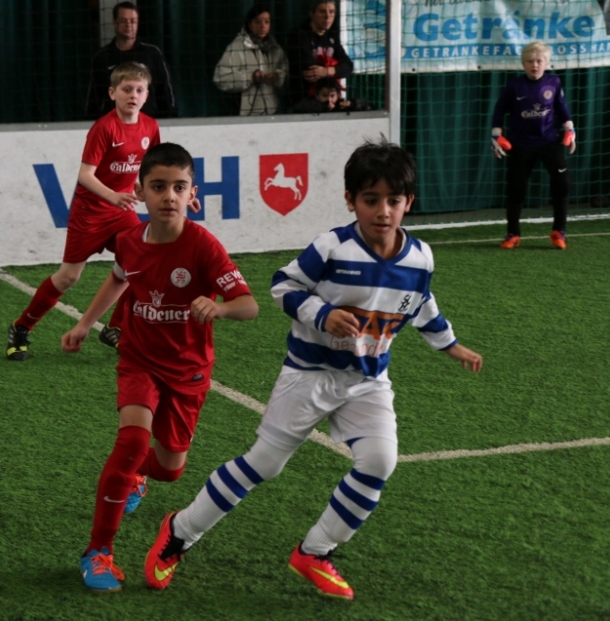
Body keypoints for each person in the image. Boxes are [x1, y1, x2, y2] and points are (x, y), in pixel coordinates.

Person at [144, 139, 483, 599]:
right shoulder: (332, 247)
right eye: (371, 199)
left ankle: (315, 551)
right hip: (309, 373)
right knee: (264, 464)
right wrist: (322, 315)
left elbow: (421, 304)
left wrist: (452, 345)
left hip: (368, 381)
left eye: (394, 200)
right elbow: (283, 287)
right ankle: (180, 532)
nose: (383, 211)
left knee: (380, 461)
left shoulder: (421, 257)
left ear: (409, 202)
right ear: (350, 200)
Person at [60, 142, 258, 593]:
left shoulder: (204, 246)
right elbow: (118, 278)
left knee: (170, 469)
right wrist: (84, 324)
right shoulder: (130, 241)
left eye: (179, 187)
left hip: (188, 370)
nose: (169, 196)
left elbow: (249, 305)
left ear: (192, 194)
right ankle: (98, 552)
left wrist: (221, 307)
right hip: (139, 361)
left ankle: (136, 478)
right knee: (131, 441)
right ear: (140, 191)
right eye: (158, 186)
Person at [7, 62, 159, 361]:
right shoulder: (104, 128)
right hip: (90, 213)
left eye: (139, 90)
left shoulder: (150, 126)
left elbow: (150, 167)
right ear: (113, 93)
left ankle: (115, 328)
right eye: (127, 89)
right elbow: (85, 175)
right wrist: (113, 195)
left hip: (121, 211)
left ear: (147, 95)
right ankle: (21, 327)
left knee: (141, 261)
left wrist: (145, 189)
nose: (133, 95)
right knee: (68, 277)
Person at [490, 40, 575, 250]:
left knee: (562, 184)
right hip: (520, 144)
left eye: (539, 61)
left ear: (546, 63)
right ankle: (513, 234)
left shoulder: (554, 82)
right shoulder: (514, 85)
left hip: (549, 142)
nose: (534, 65)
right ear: (523, 64)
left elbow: (561, 107)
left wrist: (570, 129)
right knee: (516, 189)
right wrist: (496, 135)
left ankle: (559, 231)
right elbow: (499, 110)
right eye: (530, 61)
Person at [85, 1, 178, 119]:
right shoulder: (101, 57)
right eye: (123, 20)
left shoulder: (152, 54)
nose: (128, 25)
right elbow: (94, 98)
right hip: (113, 125)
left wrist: (169, 122)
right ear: (115, 22)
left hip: (147, 123)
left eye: (133, 21)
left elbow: (166, 92)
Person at [213, 3, 287, 116]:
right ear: (249, 24)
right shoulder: (236, 47)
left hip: (272, 113)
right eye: (257, 22)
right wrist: (251, 76)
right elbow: (220, 78)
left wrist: (277, 76)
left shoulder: (276, 49)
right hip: (245, 115)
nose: (263, 26)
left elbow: (287, 74)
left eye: (267, 22)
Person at [286, 0, 354, 107]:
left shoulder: (332, 36)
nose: (327, 16)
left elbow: (348, 67)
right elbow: (311, 71)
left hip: (330, 102)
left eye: (331, 12)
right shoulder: (298, 35)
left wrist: (327, 71)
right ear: (312, 13)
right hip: (304, 102)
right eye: (322, 11)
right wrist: (336, 68)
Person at [291, 76, 368, 114]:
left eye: (332, 96)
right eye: (324, 95)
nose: (329, 99)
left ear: (338, 95)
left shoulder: (342, 106)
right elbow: (296, 108)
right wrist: (324, 107)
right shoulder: (307, 104)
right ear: (317, 95)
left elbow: (367, 107)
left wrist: (352, 104)